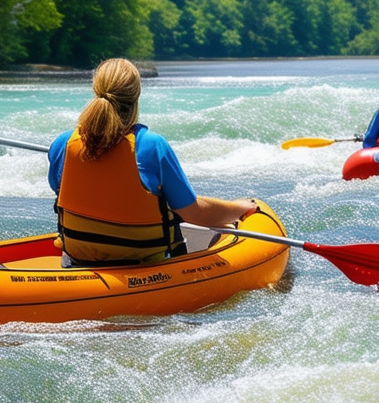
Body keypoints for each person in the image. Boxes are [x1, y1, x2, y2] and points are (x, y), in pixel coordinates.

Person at [48, 58, 256, 266]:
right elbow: (192, 213)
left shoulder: (63, 144)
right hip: (147, 267)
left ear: (95, 91)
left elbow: (73, 191)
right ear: (136, 97)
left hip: (77, 261)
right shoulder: (151, 146)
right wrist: (238, 208)